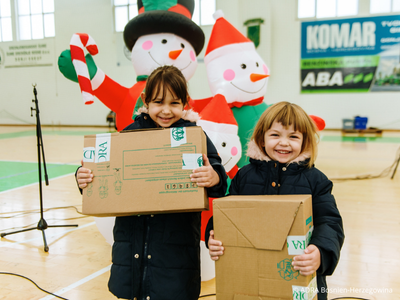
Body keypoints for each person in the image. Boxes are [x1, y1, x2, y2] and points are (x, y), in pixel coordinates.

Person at [77, 65, 228, 300]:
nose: (166, 111)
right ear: (145, 101)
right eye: (158, 102)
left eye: (174, 103)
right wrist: (84, 177)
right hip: (132, 244)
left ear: (185, 103)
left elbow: (218, 175)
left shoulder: (193, 135)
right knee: (134, 290)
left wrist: (214, 176)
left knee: (172, 292)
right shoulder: (129, 135)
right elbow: (100, 171)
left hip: (175, 246)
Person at [205, 102, 344, 300]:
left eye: (293, 136)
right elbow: (227, 213)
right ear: (262, 139)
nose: (284, 143)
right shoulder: (245, 176)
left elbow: (330, 222)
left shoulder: (316, 180)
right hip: (250, 276)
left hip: (299, 272)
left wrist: (320, 252)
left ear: (305, 142)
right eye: (275, 135)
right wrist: (214, 235)